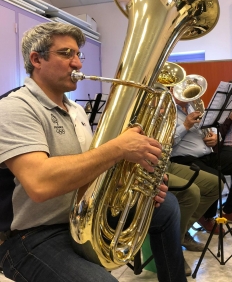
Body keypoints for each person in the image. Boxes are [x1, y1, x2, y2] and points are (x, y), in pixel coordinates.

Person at [0, 22, 187, 282]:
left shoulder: (76, 111)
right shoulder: (14, 108)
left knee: (167, 207)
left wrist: (138, 183)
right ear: (36, 59)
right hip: (30, 235)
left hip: (80, 215)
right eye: (66, 54)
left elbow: (88, 169)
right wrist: (117, 148)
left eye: (78, 55)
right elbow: (39, 183)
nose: (77, 63)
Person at [169, 88, 232, 226]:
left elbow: (212, 128)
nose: (187, 94)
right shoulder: (168, 112)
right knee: (217, 178)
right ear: (173, 90)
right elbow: (167, 143)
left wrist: (217, 137)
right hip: (184, 158)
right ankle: (206, 217)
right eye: (181, 89)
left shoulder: (194, 106)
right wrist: (185, 125)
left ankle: (228, 209)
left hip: (208, 154)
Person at [167, 162, 220, 250]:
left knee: (216, 184)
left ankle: (181, 232)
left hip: (166, 163)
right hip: (147, 166)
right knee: (192, 192)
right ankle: (172, 243)